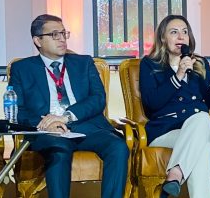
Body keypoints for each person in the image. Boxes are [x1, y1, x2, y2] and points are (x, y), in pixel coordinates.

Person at [9, 14, 129, 198]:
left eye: (64, 33)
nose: (62, 39)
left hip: (86, 126)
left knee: (118, 147)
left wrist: (66, 117)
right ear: (38, 40)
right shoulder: (22, 68)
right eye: (54, 34)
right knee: (59, 149)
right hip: (48, 132)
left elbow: (98, 98)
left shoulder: (84, 63)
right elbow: (18, 110)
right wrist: (45, 124)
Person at [139, 15, 210, 198]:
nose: (181, 37)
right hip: (167, 131)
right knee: (203, 151)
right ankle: (177, 176)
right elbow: (151, 103)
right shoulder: (149, 65)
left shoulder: (200, 64)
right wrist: (178, 75)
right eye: (174, 32)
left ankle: (176, 173)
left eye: (185, 32)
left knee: (201, 118)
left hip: (205, 128)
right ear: (163, 38)